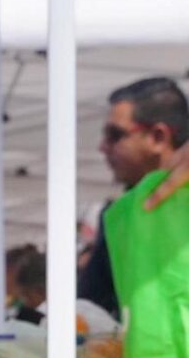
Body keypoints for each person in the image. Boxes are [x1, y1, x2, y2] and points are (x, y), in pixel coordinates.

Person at [80, 74, 189, 319]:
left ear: (158, 137)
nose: (102, 147)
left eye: (114, 135)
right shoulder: (118, 217)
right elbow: (89, 305)